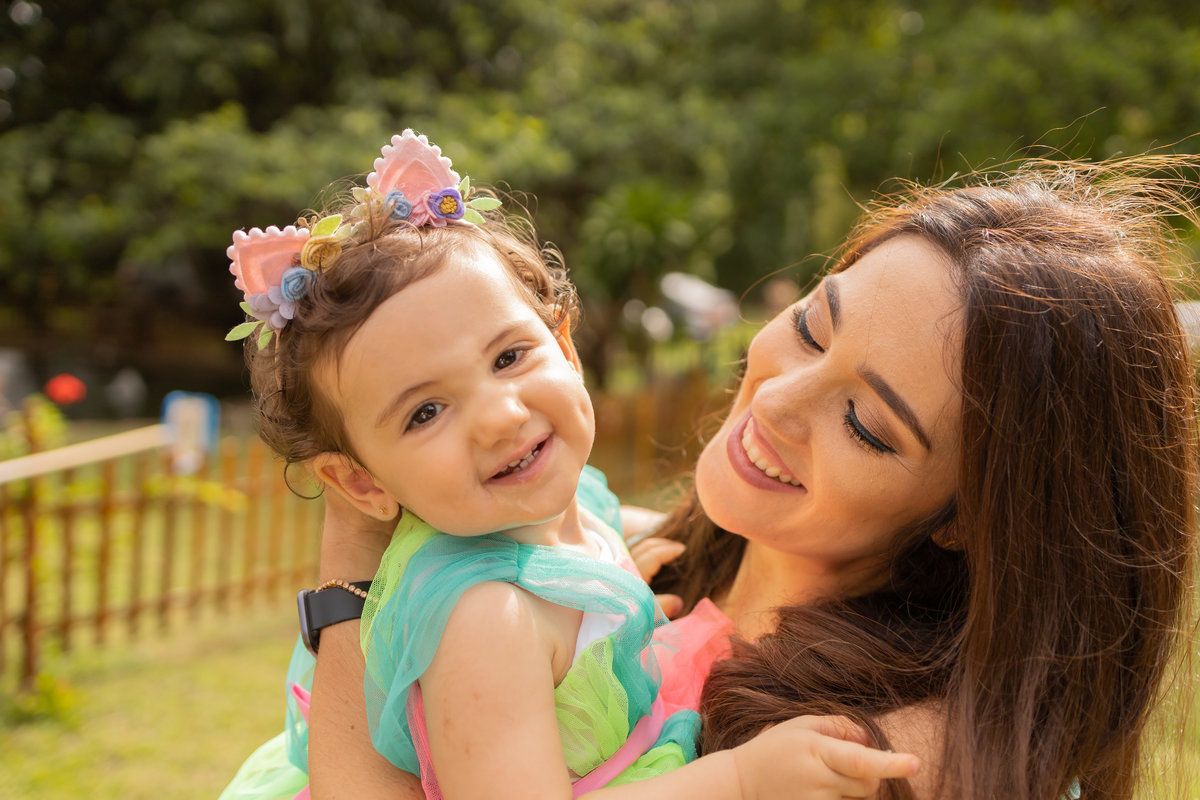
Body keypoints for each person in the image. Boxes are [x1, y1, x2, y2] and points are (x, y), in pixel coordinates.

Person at [305, 155, 1200, 800]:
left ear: (972, 519)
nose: (778, 398)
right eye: (813, 326)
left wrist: (348, 571)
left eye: (865, 424)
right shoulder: (624, 561)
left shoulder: (887, 758)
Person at [219, 130, 920, 800]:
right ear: (360, 483)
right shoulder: (487, 620)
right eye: (425, 412)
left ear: (566, 345)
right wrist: (740, 783)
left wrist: (629, 621)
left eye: (508, 357)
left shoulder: (577, 508)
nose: (499, 415)